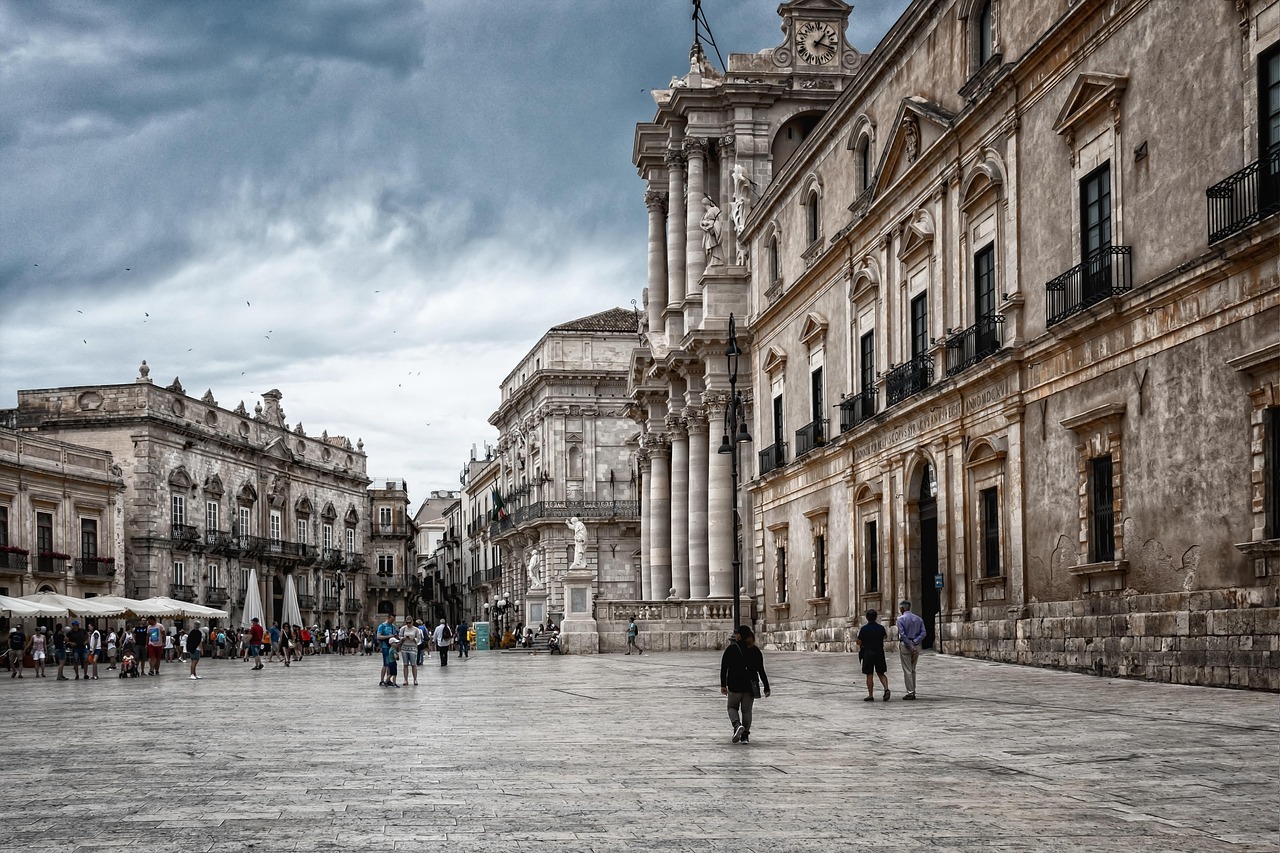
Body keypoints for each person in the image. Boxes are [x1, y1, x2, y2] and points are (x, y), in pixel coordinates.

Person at [719, 625, 770, 744]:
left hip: (734, 685)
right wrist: (766, 687)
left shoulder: (732, 649)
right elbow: (761, 670)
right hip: (750, 686)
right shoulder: (755, 650)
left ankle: (737, 726)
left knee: (732, 707)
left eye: (736, 633)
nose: (735, 635)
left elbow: (724, 668)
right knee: (747, 711)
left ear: (739, 636)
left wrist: (723, 685)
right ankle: (745, 736)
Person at [855, 609, 890, 702]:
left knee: (869, 674)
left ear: (867, 618)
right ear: (876, 617)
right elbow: (885, 636)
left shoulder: (864, 629)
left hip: (868, 653)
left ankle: (870, 695)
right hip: (879, 652)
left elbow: (859, 642)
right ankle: (886, 688)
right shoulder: (881, 628)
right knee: (881, 673)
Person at [896, 599, 927, 700]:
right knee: (913, 668)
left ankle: (910, 692)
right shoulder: (918, 619)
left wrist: (910, 645)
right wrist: (915, 642)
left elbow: (903, 635)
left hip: (905, 646)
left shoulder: (901, 619)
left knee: (907, 669)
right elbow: (923, 633)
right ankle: (913, 689)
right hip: (916, 645)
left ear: (902, 609)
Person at [398, 618, 422, 686]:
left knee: (413, 664)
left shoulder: (416, 629)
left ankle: (415, 679)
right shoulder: (403, 629)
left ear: (412, 622)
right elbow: (400, 636)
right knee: (405, 664)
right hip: (404, 648)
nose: (408, 624)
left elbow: (419, 639)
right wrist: (403, 638)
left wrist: (413, 639)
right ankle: (405, 679)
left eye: (409, 623)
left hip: (413, 648)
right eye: (407, 623)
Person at [376, 613, 398, 686]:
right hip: (385, 646)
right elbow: (378, 636)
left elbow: (395, 635)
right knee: (386, 664)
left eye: (393, 620)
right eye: (391, 620)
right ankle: (382, 680)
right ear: (388, 618)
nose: (392, 621)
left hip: (392, 647)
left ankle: (388, 680)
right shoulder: (382, 626)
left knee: (390, 664)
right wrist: (388, 636)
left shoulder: (393, 626)